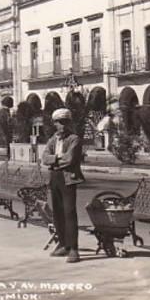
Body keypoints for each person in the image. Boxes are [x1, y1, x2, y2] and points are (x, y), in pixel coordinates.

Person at [42, 108, 84, 264]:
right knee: (58, 213)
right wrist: (57, 158)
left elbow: (70, 159)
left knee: (69, 213)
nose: (62, 126)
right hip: (55, 178)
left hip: (68, 178)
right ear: (54, 124)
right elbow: (44, 157)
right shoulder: (53, 139)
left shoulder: (74, 139)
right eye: (59, 122)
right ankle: (63, 244)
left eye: (65, 122)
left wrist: (55, 160)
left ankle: (74, 248)